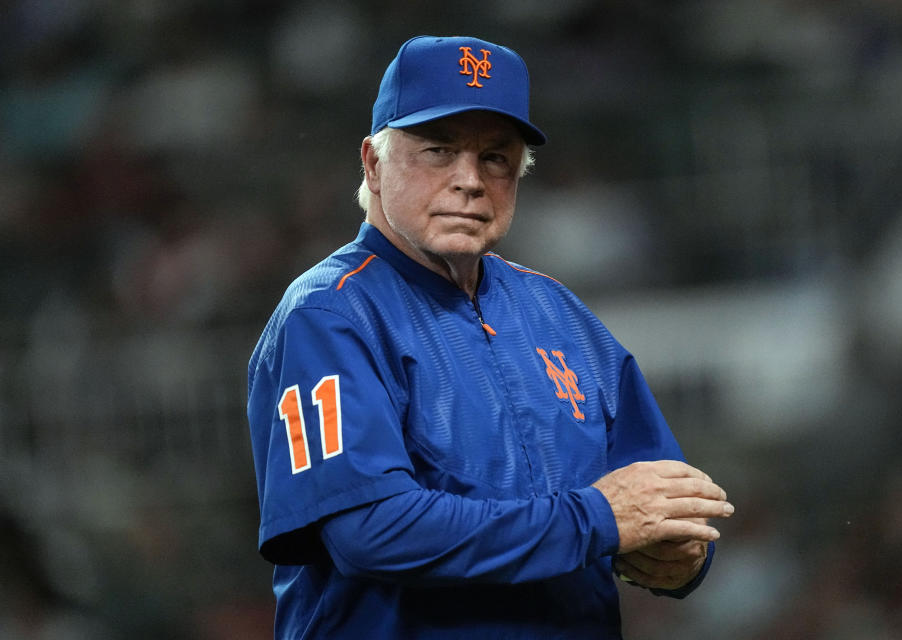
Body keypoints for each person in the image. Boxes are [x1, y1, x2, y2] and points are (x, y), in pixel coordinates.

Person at [247, 35, 734, 639]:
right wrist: (596, 522)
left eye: (496, 157)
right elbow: (371, 530)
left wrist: (678, 555)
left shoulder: (558, 312)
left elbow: (659, 495)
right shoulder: (330, 314)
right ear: (373, 164)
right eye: (438, 150)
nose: (469, 181)